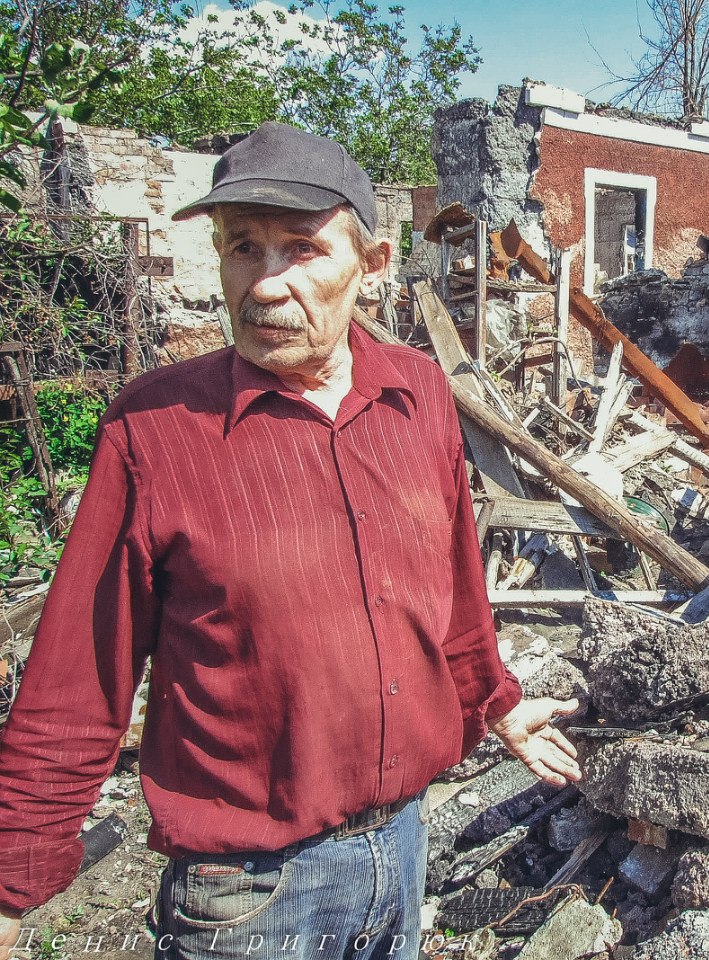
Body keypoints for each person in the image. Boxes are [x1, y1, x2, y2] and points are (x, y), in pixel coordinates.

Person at [0, 122, 581, 959]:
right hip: (247, 894)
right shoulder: (156, 430)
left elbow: (451, 592)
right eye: (244, 247)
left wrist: (497, 703)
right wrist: (11, 883)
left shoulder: (417, 393)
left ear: (372, 265)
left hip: (402, 849)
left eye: (302, 249)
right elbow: (79, 674)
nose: (266, 284)